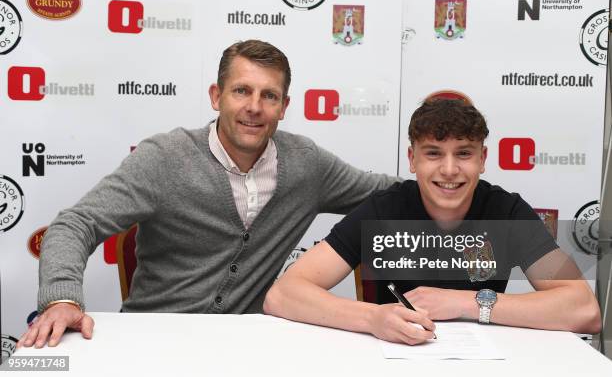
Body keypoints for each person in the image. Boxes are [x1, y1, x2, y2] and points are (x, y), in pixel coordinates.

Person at [18, 39, 399, 348]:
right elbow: (76, 223)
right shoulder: (164, 158)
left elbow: (385, 193)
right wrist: (62, 298)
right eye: (241, 91)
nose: (254, 107)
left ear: (284, 107)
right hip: (150, 342)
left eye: (269, 96)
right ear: (216, 96)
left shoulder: (307, 164)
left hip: (246, 348)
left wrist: (450, 177)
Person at [264, 99, 602, 345]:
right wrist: (372, 317)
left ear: (483, 159)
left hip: (482, 362)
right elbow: (282, 295)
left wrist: (463, 302)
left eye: (464, 153)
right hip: (395, 359)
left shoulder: (506, 211)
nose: (450, 170)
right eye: (434, 153)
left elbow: (584, 308)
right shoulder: (384, 210)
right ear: (412, 159)